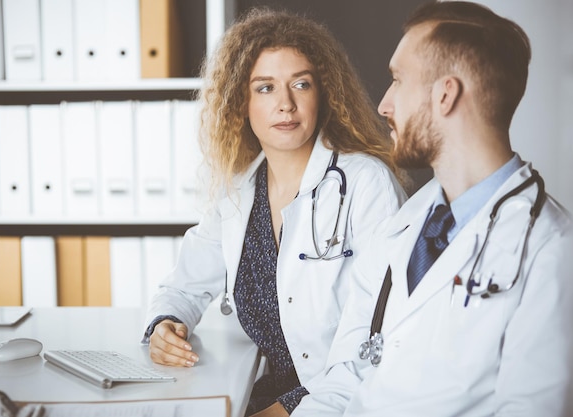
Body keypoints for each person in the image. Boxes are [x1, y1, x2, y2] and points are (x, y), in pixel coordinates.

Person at [292, 2, 572, 416]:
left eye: (398, 80)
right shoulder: (404, 225)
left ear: (446, 94)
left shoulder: (553, 251)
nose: (384, 104)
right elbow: (345, 376)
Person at [142, 7, 408, 417]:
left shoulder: (365, 184)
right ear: (240, 102)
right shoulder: (238, 191)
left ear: (324, 94)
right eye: (265, 88)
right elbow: (184, 286)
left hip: (341, 402)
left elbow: (377, 339)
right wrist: (165, 324)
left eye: (300, 84)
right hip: (265, 391)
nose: (285, 104)